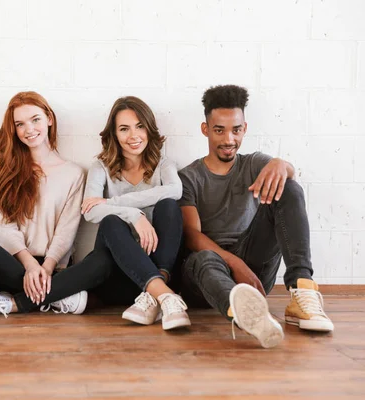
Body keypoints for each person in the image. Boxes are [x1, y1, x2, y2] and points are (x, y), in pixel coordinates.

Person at [178, 84, 334, 348]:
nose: (229, 139)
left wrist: (281, 164)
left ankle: (303, 291)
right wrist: (236, 265)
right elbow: (192, 236)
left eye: (236, 130)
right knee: (203, 257)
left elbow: (289, 176)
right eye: (219, 130)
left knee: (289, 186)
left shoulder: (253, 163)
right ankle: (248, 316)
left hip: (254, 268)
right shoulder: (189, 177)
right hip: (207, 274)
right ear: (205, 130)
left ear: (244, 129)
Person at [0, 91, 106, 317]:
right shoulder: (3, 173)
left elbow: (66, 231)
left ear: (49, 119)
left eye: (35, 119)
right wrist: (29, 265)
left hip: (54, 268)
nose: (29, 130)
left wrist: (46, 267)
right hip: (15, 266)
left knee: (102, 260)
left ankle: (15, 304)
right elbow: (3, 228)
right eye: (20, 124)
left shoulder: (73, 173)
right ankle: (56, 298)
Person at [81, 96, 190, 331]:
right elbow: (90, 211)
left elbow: (175, 190)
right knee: (111, 221)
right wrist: (134, 215)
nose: (134, 136)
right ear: (114, 133)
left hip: (164, 267)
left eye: (140, 126)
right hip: (124, 272)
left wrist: (115, 201)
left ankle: (156, 294)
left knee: (169, 205)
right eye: (124, 129)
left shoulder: (163, 164)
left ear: (149, 128)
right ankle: (166, 296)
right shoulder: (100, 167)